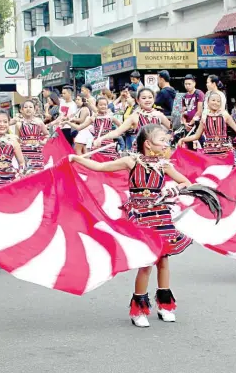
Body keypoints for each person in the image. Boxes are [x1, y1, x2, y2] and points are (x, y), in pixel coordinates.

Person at [72, 124, 194, 327]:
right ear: (148, 144)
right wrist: (76, 158)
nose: (166, 143)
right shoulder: (131, 161)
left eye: (166, 140)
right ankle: (139, 309)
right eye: (162, 140)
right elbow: (100, 167)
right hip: (141, 216)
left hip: (161, 215)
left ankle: (165, 306)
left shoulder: (164, 165)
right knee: (146, 262)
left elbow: (185, 183)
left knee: (163, 260)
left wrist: (173, 191)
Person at [94, 87, 170, 152]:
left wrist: (166, 138)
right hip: (140, 153)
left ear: (154, 99)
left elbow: (173, 128)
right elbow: (117, 132)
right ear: (138, 100)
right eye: (144, 98)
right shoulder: (135, 116)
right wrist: (101, 138)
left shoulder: (159, 115)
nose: (147, 100)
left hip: (158, 152)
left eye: (150, 97)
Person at [178, 90, 236, 158]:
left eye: (218, 101)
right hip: (209, 153)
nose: (216, 103)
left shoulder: (225, 115)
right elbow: (196, 136)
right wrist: (183, 139)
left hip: (225, 152)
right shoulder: (204, 118)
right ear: (208, 102)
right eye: (213, 100)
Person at [12, 100, 49, 169]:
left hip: (38, 151)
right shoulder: (18, 124)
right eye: (25, 107)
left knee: (39, 171)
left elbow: (47, 134)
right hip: (24, 152)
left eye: (30, 107)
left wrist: (44, 141)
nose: (28, 109)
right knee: (26, 171)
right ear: (21, 110)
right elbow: (16, 139)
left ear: (35, 110)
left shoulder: (39, 122)